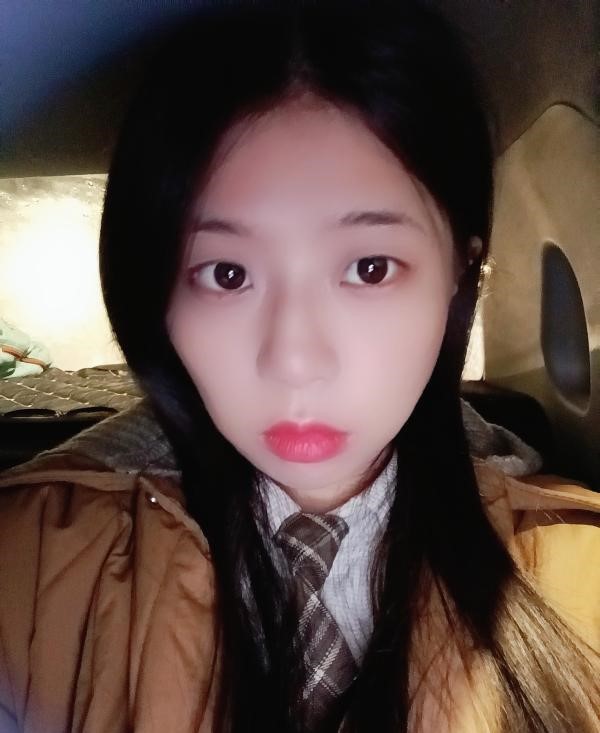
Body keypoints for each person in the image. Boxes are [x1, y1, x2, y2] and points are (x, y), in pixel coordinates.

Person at [0, 1, 599, 731]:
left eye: (370, 268)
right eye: (226, 275)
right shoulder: (31, 564)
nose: (295, 361)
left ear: (459, 271)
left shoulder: (580, 572)